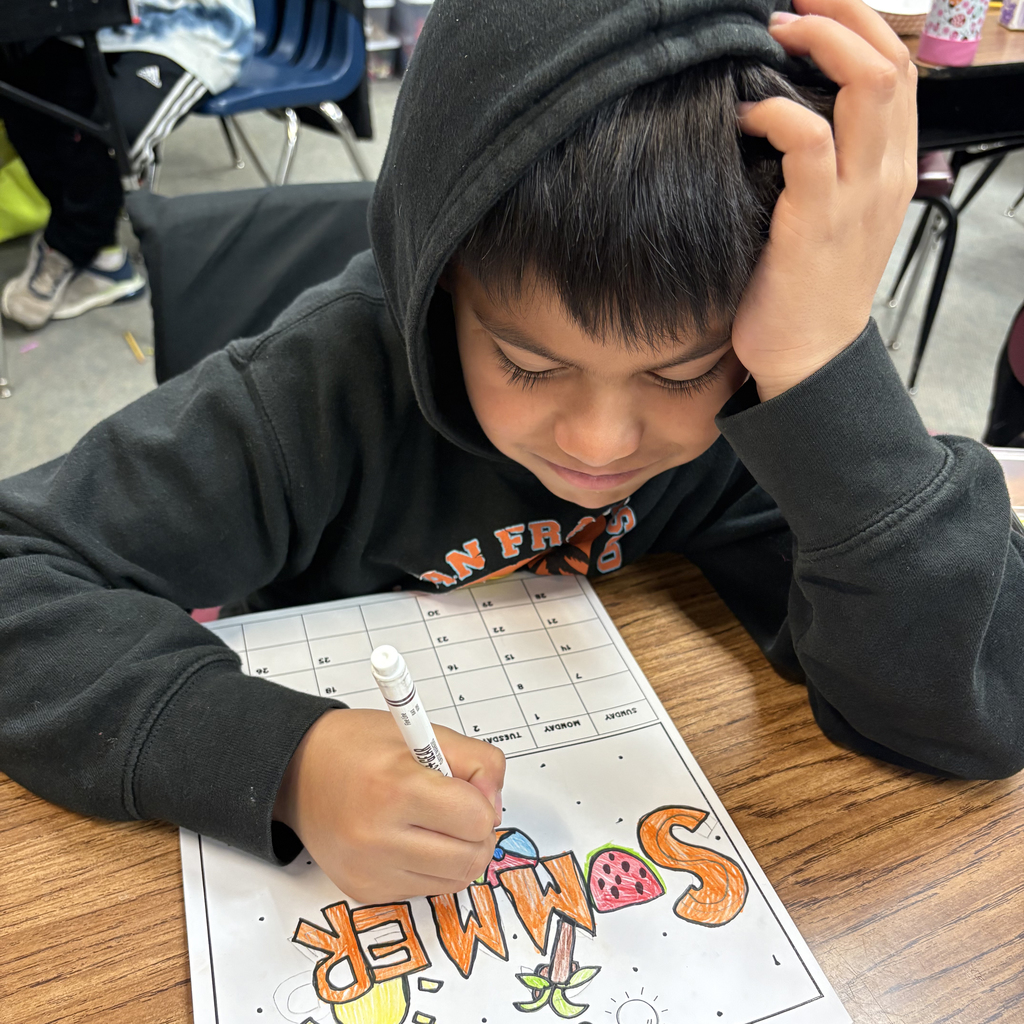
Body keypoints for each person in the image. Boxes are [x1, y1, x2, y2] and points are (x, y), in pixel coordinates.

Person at [1, 0, 1022, 906]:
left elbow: (975, 709)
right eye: (528, 362)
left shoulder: (774, 371)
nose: (600, 440)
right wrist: (284, 758)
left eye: (677, 375)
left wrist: (825, 369)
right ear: (436, 286)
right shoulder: (314, 393)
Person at [0, 0, 254, 330]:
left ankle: (75, 245)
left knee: (113, 134)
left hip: (183, 26)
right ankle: (95, 250)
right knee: (18, 84)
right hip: (78, 24)